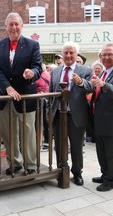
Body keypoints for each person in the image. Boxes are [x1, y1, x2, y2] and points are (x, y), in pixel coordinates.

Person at [0, 12, 42, 175]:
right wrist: (8, 88)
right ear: (6, 27)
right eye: (11, 24)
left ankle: (31, 165)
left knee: (28, 133)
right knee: (8, 134)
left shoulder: (32, 45)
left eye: (17, 24)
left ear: (22, 26)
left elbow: (38, 67)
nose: (14, 27)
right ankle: (15, 163)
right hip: (5, 97)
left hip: (26, 96)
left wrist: (31, 73)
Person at [49, 41, 93, 186]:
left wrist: (81, 82)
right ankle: (61, 171)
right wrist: (49, 113)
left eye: (71, 52)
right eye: (66, 52)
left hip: (76, 115)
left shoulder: (85, 70)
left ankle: (77, 173)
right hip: (58, 115)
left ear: (76, 54)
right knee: (59, 146)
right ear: (62, 54)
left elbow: (91, 87)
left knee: (76, 146)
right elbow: (51, 94)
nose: (68, 55)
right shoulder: (55, 71)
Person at [88, 43, 113, 191]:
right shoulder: (104, 72)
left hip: (110, 121)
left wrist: (104, 85)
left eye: (110, 54)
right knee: (101, 151)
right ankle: (105, 174)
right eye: (104, 55)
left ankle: (110, 180)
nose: (106, 57)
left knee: (110, 153)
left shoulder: (105, 77)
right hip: (99, 120)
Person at [36, 63, 51, 150]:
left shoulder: (42, 75)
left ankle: (39, 143)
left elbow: (37, 85)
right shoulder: (48, 75)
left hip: (40, 100)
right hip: (45, 99)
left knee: (39, 122)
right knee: (42, 122)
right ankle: (41, 142)